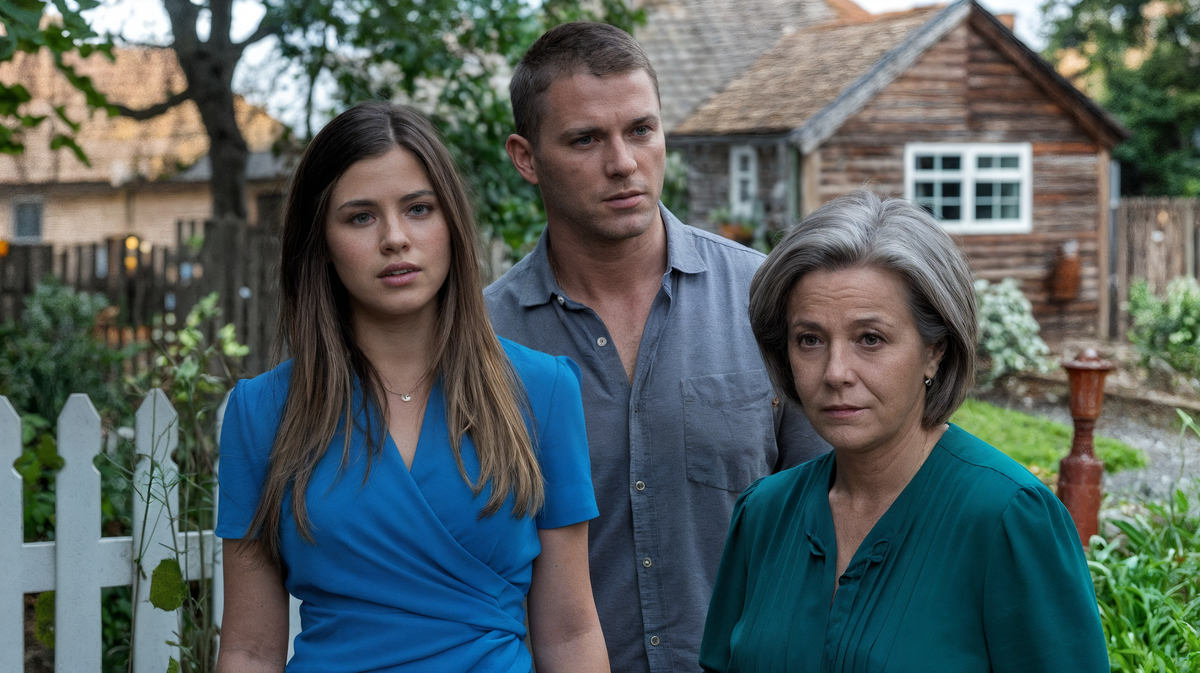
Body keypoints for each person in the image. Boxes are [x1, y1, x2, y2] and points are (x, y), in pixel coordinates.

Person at [484, 22, 830, 673]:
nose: (623, 162)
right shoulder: (483, 342)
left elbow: (835, 512)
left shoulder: (766, 300)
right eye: (586, 139)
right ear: (526, 158)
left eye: (641, 130)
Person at [214, 102, 608, 673]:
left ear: (451, 223)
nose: (395, 238)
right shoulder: (261, 412)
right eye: (360, 217)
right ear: (320, 240)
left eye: (419, 209)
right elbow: (249, 650)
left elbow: (571, 635)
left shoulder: (543, 391)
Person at [699, 190, 1109, 672]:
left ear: (935, 350)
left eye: (870, 339)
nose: (835, 372)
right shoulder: (763, 514)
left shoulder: (1009, 520)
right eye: (809, 339)